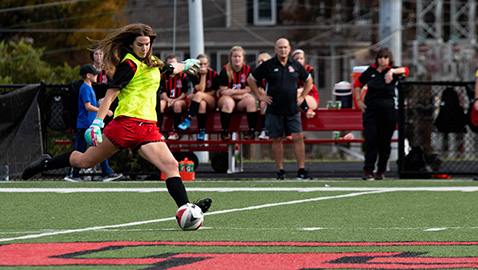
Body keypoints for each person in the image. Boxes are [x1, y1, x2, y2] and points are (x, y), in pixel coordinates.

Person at [22, 23, 212, 213]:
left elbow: (170, 68)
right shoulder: (128, 65)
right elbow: (111, 95)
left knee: (171, 165)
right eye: (140, 44)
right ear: (130, 45)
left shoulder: (153, 62)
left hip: (148, 128)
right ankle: (45, 163)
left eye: (147, 44)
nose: (144, 48)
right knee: (84, 161)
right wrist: (97, 122)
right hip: (125, 126)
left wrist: (186, 65)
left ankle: (187, 209)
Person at [247, 38, 312, 180]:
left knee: (298, 137)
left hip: (292, 109)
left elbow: (309, 80)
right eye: (280, 47)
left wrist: (303, 97)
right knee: (277, 139)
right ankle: (280, 170)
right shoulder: (268, 65)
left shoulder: (295, 65)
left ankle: (301, 170)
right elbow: (251, 79)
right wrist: (260, 96)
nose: (283, 50)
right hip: (274, 108)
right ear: (276, 49)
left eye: (285, 47)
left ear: (289, 49)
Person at [353, 47, 409, 180]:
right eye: (380, 57)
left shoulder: (392, 72)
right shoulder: (371, 71)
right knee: (371, 140)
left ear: (389, 59)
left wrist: (392, 71)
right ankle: (368, 170)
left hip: (388, 111)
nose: (382, 60)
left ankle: (381, 170)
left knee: (384, 142)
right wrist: (359, 100)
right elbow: (357, 83)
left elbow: (406, 70)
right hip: (371, 110)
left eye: (385, 58)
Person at [64, 64, 123, 182]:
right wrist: (103, 111)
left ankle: (106, 172)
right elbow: (87, 106)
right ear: (88, 75)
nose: (97, 76)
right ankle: (73, 174)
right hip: (85, 124)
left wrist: (99, 104)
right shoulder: (85, 88)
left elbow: (91, 104)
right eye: (94, 74)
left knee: (97, 148)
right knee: (80, 149)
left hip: (90, 124)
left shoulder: (89, 88)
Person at [217, 46, 257, 141]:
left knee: (251, 100)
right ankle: (224, 131)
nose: (237, 59)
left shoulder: (248, 70)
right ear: (230, 58)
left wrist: (233, 91)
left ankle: (251, 131)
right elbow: (224, 92)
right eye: (235, 56)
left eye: (239, 56)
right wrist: (241, 94)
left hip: (240, 101)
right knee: (228, 103)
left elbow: (249, 89)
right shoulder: (225, 71)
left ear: (243, 57)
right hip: (226, 100)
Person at [178, 54, 219, 141]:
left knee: (199, 94)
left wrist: (203, 76)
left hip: (211, 101)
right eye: (200, 64)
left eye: (205, 64)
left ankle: (189, 118)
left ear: (208, 64)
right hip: (199, 101)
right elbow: (199, 88)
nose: (203, 66)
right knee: (202, 104)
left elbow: (212, 92)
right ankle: (201, 131)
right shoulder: (193, 74)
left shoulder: (214, 74)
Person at [158, 54, 190, 140]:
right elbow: (163, 92)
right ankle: (159, 132)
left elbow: (184, 93)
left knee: (178, 105)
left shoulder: (183, 76)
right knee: (160, 104)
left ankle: (176, 132)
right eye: (170, 64)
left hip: (180, 100)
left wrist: (175, 100)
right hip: (168, 100)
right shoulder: (163, 77)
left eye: (174, 64)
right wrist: (169, 100)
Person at [291, 49, 319, 118]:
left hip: (310, 96)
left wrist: (297, 91)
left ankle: (307, 109)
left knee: (294, 95)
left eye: (301, 58)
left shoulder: (309, 69)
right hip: (296, 98)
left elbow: (310, 86)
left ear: (304, 60)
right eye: (297, 59)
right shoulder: (290, 71)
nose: (299, 60)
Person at [255, 52, 272, 140]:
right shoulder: (258, 77)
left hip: (278, 100)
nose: (260, 63)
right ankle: (264, 130)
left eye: (262, 61)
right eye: (258, 62)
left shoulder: (275, 72)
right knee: (262, 104)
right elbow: (259, 94)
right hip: (267, 102)